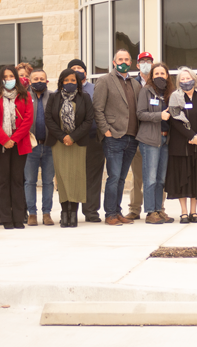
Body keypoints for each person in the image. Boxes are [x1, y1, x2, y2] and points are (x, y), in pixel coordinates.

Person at [93, 49, 143, 226]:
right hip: (114, 135)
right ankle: (110, 214)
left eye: (126, 59)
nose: (123, 61)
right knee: (113, 176)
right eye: (120, 59)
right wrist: (106, 130)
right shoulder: (105, 80)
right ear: (114, 62)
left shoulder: (135, 84)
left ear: (130, 63)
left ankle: (118, 211)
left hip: (131, 137)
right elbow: (97, 108)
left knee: (122, 177)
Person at [44, 68, 95, 227]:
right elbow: (49, 119)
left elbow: (89, 120)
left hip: (77, 143)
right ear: (61, 82)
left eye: (73, 81)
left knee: (76, 178)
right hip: (59, 143)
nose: (70, 83)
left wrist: (73, 137)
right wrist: (63, 136)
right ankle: (63, 212)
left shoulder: (84, 97)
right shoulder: (54, 97)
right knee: (63, 179)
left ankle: (73, 213)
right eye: (66, 81)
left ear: (78, 82)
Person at [166, 66, 197, 223]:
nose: (186, 81)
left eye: (188, 78)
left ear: (194, 79)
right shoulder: (175, 97)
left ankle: (194, 212)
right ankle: (184, 212)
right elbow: (174, 120)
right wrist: (191, 136)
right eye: (182, 79)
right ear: (178, 81)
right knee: (183, 179)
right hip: (181, 145)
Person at [0, 65, 33, 229]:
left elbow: (28, 120)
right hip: (0, 144)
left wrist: (14, 138)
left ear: (16, 78)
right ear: (0, 80)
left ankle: (19, 218)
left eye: (11, 76)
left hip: (19, 143)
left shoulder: (25, 95)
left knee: (17, 180)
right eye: (5, 77)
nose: (8, 80)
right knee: (3, 181)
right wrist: (5, 139)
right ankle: (6, 218)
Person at [136, 62, 175, 224]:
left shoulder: (170, 93)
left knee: (161, 179)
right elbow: (140, 114)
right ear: (152, 76)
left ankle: (159, 209)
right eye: (156, 74)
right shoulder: (146, 91)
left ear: (167, 76)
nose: (160, 76)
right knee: (150, 178)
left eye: (162, 74)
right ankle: (151, 212)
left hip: (165, 140)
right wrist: (159, 116)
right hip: (150, 140)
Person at [68, 58, 103, 222]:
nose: (77, 70)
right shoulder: (64, 91)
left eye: (79, 68)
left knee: (93, 175)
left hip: (93, 138)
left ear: (85, 72)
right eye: (73, 68)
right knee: (74, 175)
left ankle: (91, 211)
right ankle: (72, 211)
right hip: (72, 140)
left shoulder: (96, 89)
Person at [125, 51, 156, 221]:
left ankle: (158, 207)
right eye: (142, 61)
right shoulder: (131, 84)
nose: (146, 64)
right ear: (137, 65)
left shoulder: (158, 83)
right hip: (136, 136)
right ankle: (135, 209)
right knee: (137, 176)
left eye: (149, 61)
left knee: (156, 175)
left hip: (155, 136)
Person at [24, 68, 54, 226]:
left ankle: (47, 213)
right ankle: (32, 213)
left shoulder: (53, 97)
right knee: (30, 181)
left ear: (46, 80)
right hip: (31, 147)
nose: (39, 81)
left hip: (49, 145)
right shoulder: (24, 97)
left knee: (48, 181)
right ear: (29, 81)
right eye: (35, 79)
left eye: (42, 78)